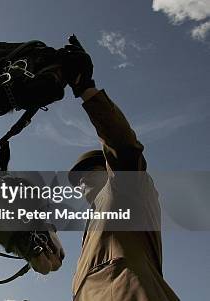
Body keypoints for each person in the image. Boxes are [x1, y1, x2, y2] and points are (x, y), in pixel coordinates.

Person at [62, 37, 179, 300]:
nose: (80, 184)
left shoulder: (125, 190)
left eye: (86, 173)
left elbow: (123, 145)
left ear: (107, 168)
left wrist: (86, 90)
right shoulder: (95, 224)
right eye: (76, 181)